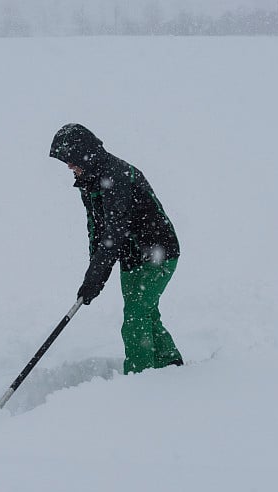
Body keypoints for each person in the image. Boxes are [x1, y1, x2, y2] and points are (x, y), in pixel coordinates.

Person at [49, 123, 183, 375]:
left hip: (158, 252)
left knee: (136, 316)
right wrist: (94, 274)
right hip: (131, 256)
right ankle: (170, 364)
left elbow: (114, 231)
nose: (68, 166)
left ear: (83, 154)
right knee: (145, 312)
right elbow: (97, 230)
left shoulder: (117, 177)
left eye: (70, 159)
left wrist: (97, 274)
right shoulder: (89, 180)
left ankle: (140, 376)